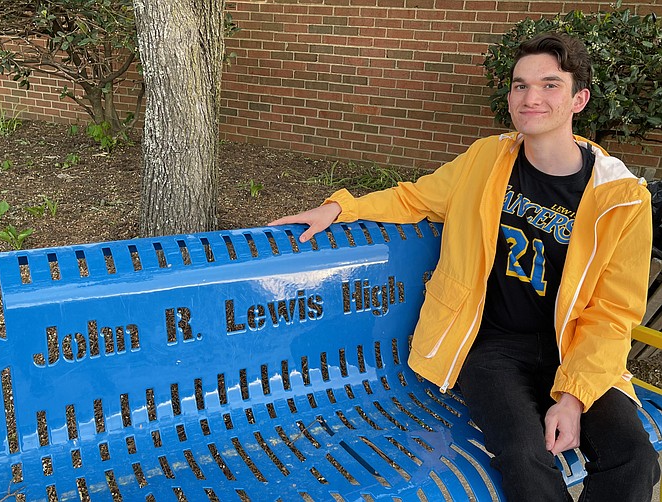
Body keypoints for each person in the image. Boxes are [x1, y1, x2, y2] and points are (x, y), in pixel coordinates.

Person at [269, 32, 661, 500]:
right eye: (520, 85)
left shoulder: (621, 199)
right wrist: (338, 208)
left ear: (579, 99)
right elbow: (415, 196)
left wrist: (572, 397)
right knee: (523, 453)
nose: (530, 97)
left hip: (576, 347)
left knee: (635, 459)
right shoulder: (487, 160)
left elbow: (613, 313)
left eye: (550, 85)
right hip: (491, 345)